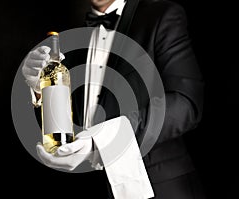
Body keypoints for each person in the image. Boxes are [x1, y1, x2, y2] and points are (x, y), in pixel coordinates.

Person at [22, 0, 206, 198]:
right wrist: (39, 88)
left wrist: (101, 141)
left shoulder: (161, 15)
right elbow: (69, 119)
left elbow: (186, 103)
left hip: (159, 187)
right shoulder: (72, 38)